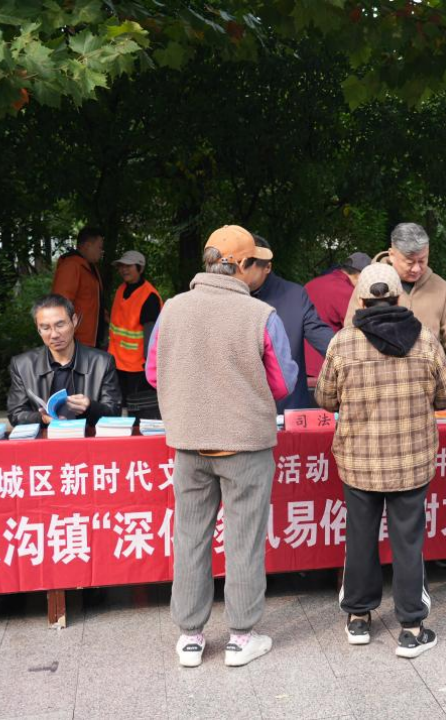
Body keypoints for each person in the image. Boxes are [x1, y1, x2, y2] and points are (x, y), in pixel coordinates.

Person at [144, 225, 298, 668]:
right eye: (258, 264)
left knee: (190, 536)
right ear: (242, 265)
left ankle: (190, 637)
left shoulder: (172, 309)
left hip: (189, 443)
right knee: (243, 540)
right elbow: (283, 383)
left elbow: (154, 373)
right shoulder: (260, 315)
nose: (262, 272)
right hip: (245, 445)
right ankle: (241, 637)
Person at [315, 263, 446, 658]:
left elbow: (325, 398)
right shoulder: (425, 340)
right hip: (411, 462)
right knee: (408, 542)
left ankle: (359, 618)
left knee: (360, 538)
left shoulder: (343, 343)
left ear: (361, 302)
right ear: (398, 299)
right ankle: (411, 627)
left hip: (359, 463)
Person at [346, 223, 446, 379]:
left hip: (427, 383)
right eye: (409, 262)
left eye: (422, 261)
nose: (416, 269)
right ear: (392, 254)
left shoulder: (439, 287)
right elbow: (350, 334)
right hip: (377, 380)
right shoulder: (369, 283)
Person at [243, 236, 335, 412]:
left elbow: (323, 338)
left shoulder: (294, 295)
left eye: (247, 265)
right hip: (242, 412)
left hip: (289, 409)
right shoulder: (227, 300)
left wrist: (351, 354)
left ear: (267, 267)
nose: (240, 272)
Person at [6, 294, 121, 427]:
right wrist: (42, 418)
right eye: (45, 328)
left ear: (74, 321)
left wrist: (90, 406)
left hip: (87, 438)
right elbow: (16, 414)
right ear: (38, 329)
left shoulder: (102, 363)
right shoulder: (22, 365)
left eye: (60, 325)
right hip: (45, 438)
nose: (54, 334)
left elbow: (114, 412)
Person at [108, 250, 162, 419]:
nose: (124, 269)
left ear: (140, 268)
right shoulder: (121, 289)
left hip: (137, 366)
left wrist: (149, 365)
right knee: (119, 404)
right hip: (116, 361)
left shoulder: (149, 296)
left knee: (136, 407)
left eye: (129, 266)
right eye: (121, 266)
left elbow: (151, 335)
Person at [305, 252, 373, 380]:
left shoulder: (312, 283)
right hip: (322, 367)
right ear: (360, 276)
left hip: (298, 363)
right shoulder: (347, 292)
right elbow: (359, 331)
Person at [51, 227, 105, 347]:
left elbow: (92, 302)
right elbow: (59, 305)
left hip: (91, 340)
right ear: (87, 246)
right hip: (76, 342)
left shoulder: (91, 268)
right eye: (99, 247)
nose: (101, 251)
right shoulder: (71, 266)